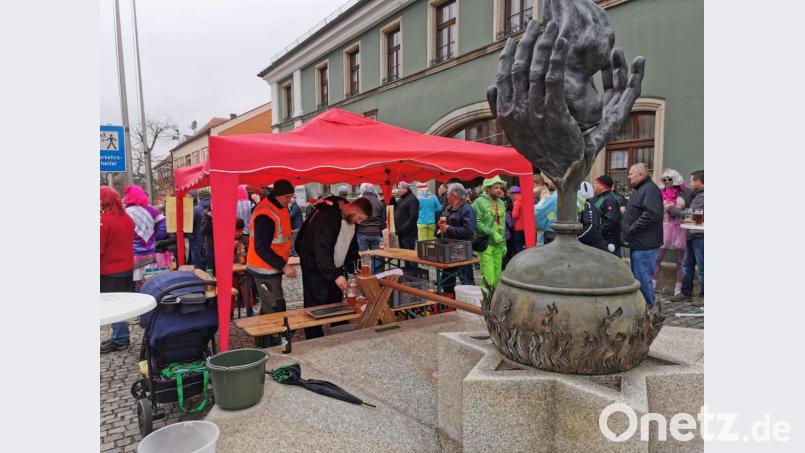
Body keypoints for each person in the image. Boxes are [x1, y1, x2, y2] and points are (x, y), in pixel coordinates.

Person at [295, 196, 372, 339]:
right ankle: (314, 338)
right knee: (315, 303)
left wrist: (354, 267)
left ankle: (339, 331)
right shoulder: (329, 216)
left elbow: (351, 247)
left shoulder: (351, 220)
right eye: (360, 218)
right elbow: (321, 249)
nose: (360, 222)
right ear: (353, 208)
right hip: (313, 265)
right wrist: (336, 275)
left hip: (332, 266)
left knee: (336, 299)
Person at [247, 179, 298, 347]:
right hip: (264, 270)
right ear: (277, 195)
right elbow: (261, 248)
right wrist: (283, 265)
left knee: (269, 306)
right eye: (287, 197)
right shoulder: (265, 214)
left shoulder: (279, 207)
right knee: (276, 308)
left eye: (291, 196)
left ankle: (261, 343)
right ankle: (274, 346)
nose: (290, 200)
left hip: (271, 268)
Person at [621, 163, 664, 307]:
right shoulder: (641, 189)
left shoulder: (650, 189)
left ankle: (648, 311)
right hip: (639, 243)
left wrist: (632, 228)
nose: (628, 176)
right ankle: (642, 309)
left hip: (645, 245)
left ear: (640, 175)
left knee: (643, 278)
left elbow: (652, 214)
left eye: (631, 173)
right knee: (639, 279)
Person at [100, 187, 136, 354]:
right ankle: (120, 335)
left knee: (114, 305)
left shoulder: (103, 221)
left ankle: (120, 338)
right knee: (121, 303)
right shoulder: (126, 218)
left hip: (110, 270)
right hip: (127, 267)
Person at [670, 170, 704, 303]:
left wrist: (672, 209)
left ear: (699, 181)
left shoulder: (704, 197)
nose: (690, 183)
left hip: (700, 235)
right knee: (687, 265)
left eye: (692, 181)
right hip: (692, 234)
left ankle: (704, 296)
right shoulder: (696, 195)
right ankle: (686, 292)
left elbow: (692, 215)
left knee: (703, 268)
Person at [653, 169, 689, 295]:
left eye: (669, 179)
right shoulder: (659, 192)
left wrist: (672, 209)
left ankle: (678, 289)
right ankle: (652, 285)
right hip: (665, 227)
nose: (667, 181)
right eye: (665, 179)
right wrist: (664, 209)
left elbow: (689, 212)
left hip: (679, 227)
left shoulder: (686, 192)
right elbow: (656, 211)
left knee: (680, 261)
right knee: (657, 258)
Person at [123, 185, 167, 283]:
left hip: (132, 255)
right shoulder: (151, 209)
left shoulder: (125, 212)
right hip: (149, 254)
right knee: (149, 283)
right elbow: (164, 225)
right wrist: (155, 237)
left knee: (135, 284)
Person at [438, 183, 476, 294]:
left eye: (448, 194)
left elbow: (468, 231)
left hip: (462, 249)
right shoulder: (448, 208)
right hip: (448, 248)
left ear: (453, 195)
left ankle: (468, 302)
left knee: (466, 279)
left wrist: (449, 228)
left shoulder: (467, 209)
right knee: (446, 280)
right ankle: (450, 300)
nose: (446, 196)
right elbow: (444, 223)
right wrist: (440, 226)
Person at [473, 176, 508, 291]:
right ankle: (486, 302)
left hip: (499, 244)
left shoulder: (502, 203)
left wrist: (504, 244)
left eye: (500, 187)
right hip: (486, 244)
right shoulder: (479, 202)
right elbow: (476, 222)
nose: (499, 190)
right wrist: (492, 232)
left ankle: (494, 302)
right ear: (488, 188)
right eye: (496, 187)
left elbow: (503, 224)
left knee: (498, 275)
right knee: (488, 275)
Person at [356, 183, 386, 274]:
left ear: (363, 190)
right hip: (375, 233)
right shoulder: (379, 202)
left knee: (364, 257)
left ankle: (366, 278)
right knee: (376, 257)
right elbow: (383, 220)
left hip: (362, 232)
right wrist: (381, 233)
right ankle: (376, 277)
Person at [593, 175, 623, 256]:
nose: (593, 185)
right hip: (602, 239)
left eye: (596, 183)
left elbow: (611, 220)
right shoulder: (600, 198)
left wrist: (597, 232)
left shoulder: (609, 199)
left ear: (603, 186)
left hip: (609, 241)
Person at [577, 182, 609, 251]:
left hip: (594, 245)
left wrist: (578, 238)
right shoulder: (586, 204)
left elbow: (591, 226)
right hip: (591, 243)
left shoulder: (588, 204)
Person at [394, 181, 419, 252]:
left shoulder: (412, 199)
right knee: (404, 255)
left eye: (399, 188)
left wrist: (403, 228)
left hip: (408, 233)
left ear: (406, 189)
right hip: (400, 232)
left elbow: (413, 217)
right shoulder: (400, 200)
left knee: (410, 256)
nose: (397, 190)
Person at [190, 188, 210, 268]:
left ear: (199, 198)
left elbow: (190, 226)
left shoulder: (195, 210)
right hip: (212, 243)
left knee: (199, 268)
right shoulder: (215, 206)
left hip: (198, 242)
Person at [509, 185, 526, 255]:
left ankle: (520, 259)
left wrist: (510, 213)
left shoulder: (517, 202)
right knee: (523, 244)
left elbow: (515, 215)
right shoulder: (524, 200)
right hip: (525, 226)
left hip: (518, 227)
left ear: (514, 193)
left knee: (517, 245)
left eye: (511, 193)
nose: (511, 195)